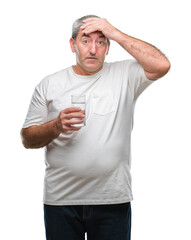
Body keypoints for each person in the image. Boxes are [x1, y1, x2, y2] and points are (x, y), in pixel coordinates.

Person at [21, 15, 170, 240]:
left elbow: (162, 65)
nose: (93, 49)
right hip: (61, 201)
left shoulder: (124, 75)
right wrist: (56, 126)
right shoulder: (50, 84)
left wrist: (115, 32)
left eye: (101, 41)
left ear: (108, 47)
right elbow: (27, 139)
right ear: (72, 44)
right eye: (85, 40)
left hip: (112, 200)